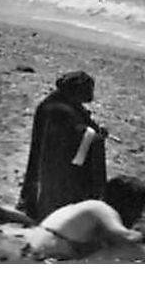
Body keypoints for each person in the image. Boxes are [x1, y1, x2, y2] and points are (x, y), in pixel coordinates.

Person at [19, 70, 108, 219]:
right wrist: (95, 136)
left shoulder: (57, 103)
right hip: (57, 165)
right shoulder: (59, 109)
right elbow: (74, 134)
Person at [23, 175, 145, 260]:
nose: (139, 216)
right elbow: (126, 237)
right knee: (127, 251)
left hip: (33, 250)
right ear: (128, 205)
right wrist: (143, 235)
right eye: (138, 210)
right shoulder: (102, 209)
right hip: (45, 256)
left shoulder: (88, 208)